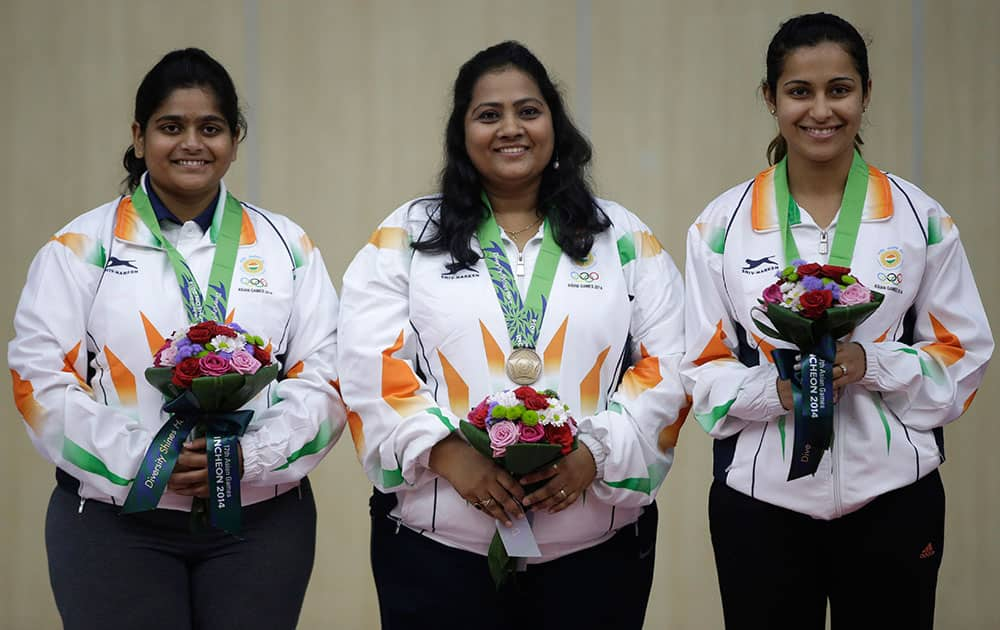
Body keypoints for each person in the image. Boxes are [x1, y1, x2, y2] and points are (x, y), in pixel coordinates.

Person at [337, 41, 687, 630]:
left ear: (555, 122)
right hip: (437, 552)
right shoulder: (404, 236)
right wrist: (447, 454)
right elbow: (367, 363)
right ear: (462, 131)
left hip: (594, 554)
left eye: (528, 110)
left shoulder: (621, 237)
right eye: (488, 114)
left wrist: (594, 454)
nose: (511, 128)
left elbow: (669, 364)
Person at [8, 48, 345, 630]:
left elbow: (328, 373)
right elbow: (40, 383)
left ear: (235, 139)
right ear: (139, 137)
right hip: (114, 525)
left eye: (210, 127)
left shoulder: (287, 246)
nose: (192, 143)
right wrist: (147, 462)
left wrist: (248, 457)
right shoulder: (79, 247)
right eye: (171, 127)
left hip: (259, 525)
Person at [682, 12, 993, 630]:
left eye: (839, 89)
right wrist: (775, 392)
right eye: (799, 91)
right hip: (760, 501)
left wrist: (871, 363)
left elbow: (963, 355)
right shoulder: (721, 226)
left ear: (866, 93)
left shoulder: (919, 218)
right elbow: (699, 370)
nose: (820, 110)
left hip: (894, 498)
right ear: (770, 98)